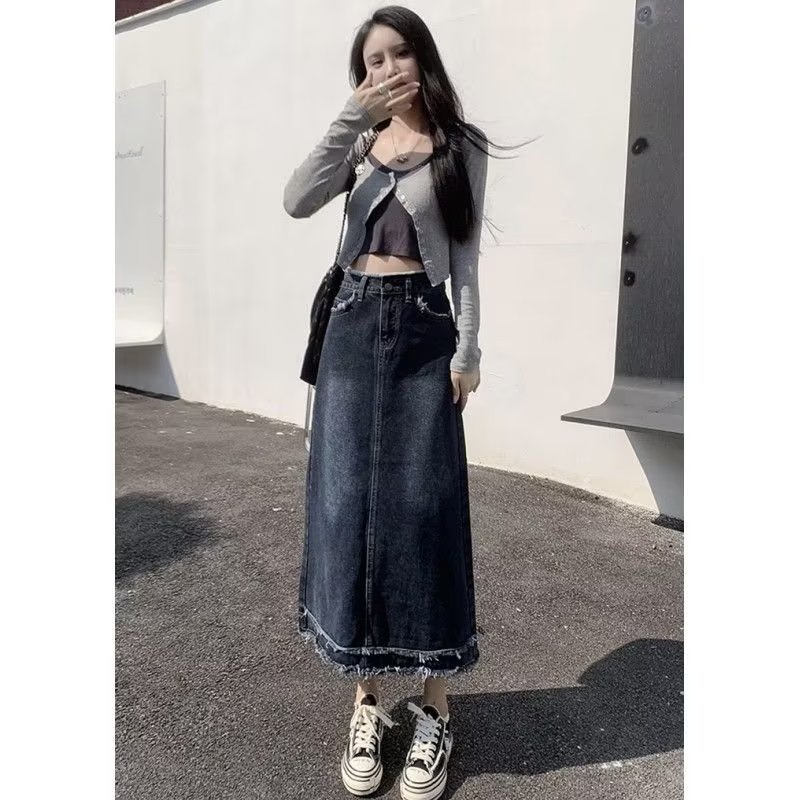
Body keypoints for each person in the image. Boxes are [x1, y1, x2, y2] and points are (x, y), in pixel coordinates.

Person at [283, 6, 523, 799]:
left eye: (396, 54)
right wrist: (349, 122)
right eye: (370, 62)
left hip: (423, 333)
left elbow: (466, 262)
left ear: (422, 59)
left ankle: (435, 707)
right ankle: (364, 701)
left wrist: (468, 351)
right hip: (351, 330)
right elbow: (295, 199)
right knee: (346, 508)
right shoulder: (356, 145)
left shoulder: (460, 148)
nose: (384, 70)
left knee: (425, 513)